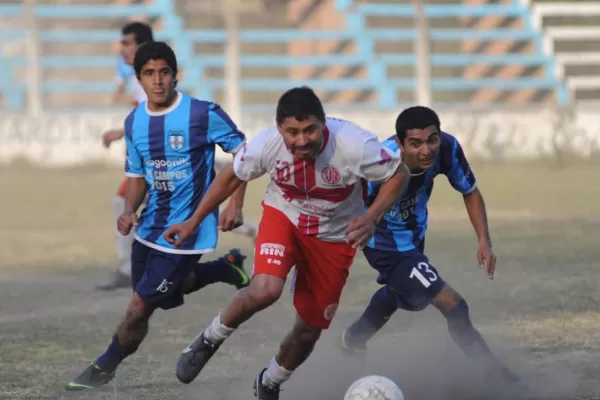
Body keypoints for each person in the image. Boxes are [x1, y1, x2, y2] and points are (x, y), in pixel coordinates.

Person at [163, 86, 411, 400]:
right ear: (280, 129)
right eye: (292, 132)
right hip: (285, 218)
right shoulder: (267, 144)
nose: (301, 140)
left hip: (334, 238)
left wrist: (372, 216)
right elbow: (231, 175)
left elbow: (399, 173)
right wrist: (193, 221)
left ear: (324, 125)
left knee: (309, 329)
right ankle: (210, 338)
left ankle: (270, 380)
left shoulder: (354, 144)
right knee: (266, 289)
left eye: (310, 130)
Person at [65, 41, 251, 391]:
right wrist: (128, 211)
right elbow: (136, 174)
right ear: (138, 79)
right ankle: (225, 267)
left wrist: (235, 204)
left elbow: (244, 154)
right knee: (162, 295)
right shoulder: (135, 122)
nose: (158, 80)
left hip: (189, 230)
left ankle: (105, 365)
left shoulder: (202, 113)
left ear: (175, 75)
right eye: (149, 74)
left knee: (140, 307)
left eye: (164, 72)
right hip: (149, 228)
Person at [339, 106, 520, 385]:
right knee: (453, 304)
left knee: (410, 298)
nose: (426, 150)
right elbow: (345, 204)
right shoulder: (379, 162)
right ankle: (499, 378)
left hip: (413, 236)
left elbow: (469, 191)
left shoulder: (447, 148)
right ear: (400, 144)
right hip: (383, 243)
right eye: (415, 143)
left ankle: (353, 339)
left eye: (431, 139)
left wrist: (484, 240)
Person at [97, 23, 257, 291]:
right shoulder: (136, 78)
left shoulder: (155, 79)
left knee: (183, 205)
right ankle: (224, 262)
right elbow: (145, 121)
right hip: (153, 165)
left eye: (127, 43)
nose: (122, 48)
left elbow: (159, 119)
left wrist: (118, 132)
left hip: (183, 156)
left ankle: (129, 269)